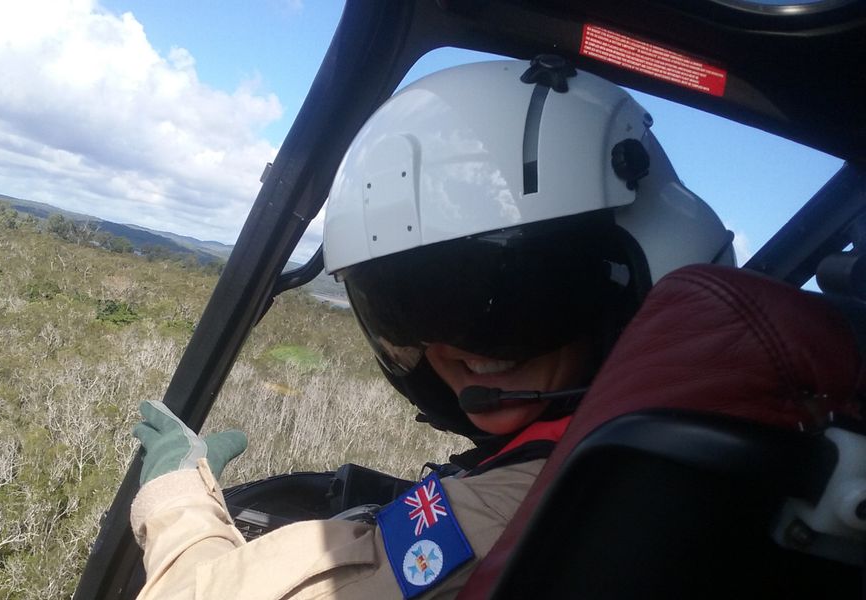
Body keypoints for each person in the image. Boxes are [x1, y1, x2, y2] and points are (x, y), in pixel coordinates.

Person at [130, 58, 735, 599]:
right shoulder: (623, 477)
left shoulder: (510, 514)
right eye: (407, 310)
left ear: (630, 289)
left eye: (506, 303)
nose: (452, 346)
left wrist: (178, 493)